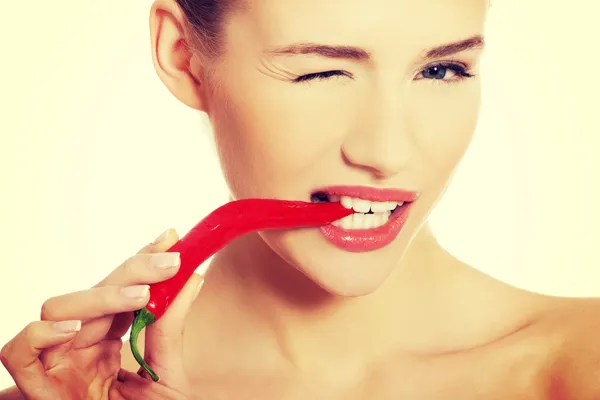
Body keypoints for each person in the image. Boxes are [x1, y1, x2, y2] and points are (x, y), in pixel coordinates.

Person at [1, 0, 598, 398]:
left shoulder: (577, 362)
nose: (387, 152)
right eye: (321, 73)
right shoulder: (76, 394)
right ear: (184, 57)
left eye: (442, 70)